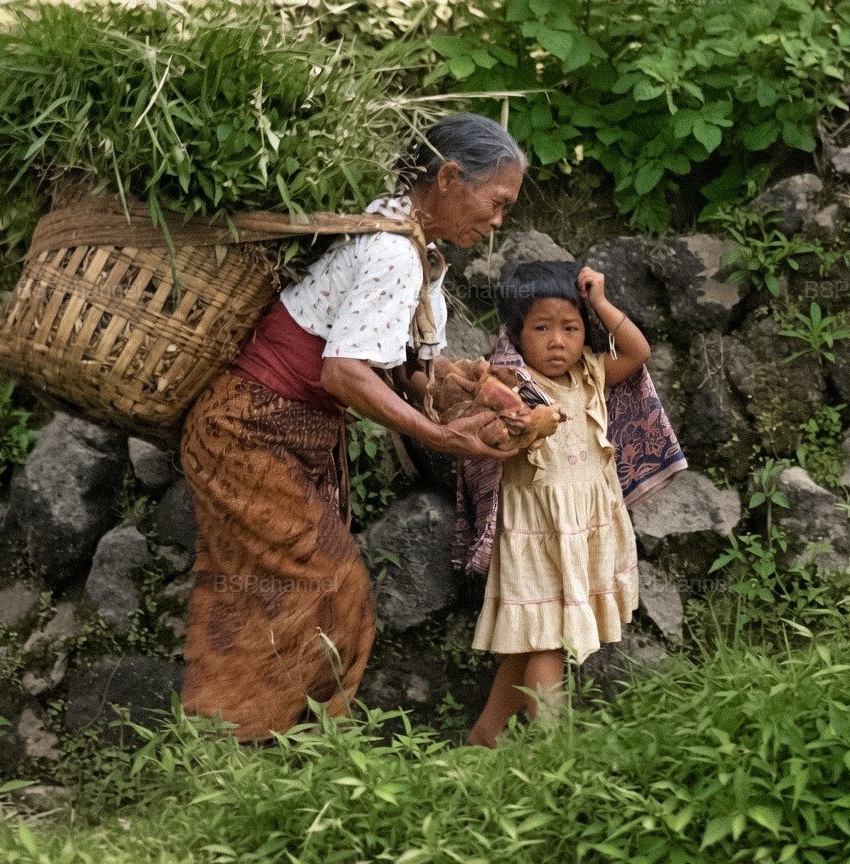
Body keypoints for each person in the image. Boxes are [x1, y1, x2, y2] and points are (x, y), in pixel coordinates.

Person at [180, 113, 526, 743]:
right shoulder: (393, 251)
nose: (498, 221)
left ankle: (234, 750)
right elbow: (344, 372)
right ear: (449, 178)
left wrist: (474, 398)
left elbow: (405, 371)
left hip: (250, 434)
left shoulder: (415, 252)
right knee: (333, 595)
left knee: (249, 595)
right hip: (250, 436)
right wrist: (443, 438)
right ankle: (285, 751)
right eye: (495, 202)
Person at [466, 261, 656, 748]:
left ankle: (486, 734)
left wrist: (601, 302)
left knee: (533, 637)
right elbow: (486, 437)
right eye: (541, 328)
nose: (557, 342)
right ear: (516, 331)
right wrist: (528, 423)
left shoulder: (590, 372)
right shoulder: (509, 388)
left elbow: (637, 351)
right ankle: (555, 749)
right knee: (549, 639)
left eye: (570, 328)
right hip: (538, 534)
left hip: (585, 526)